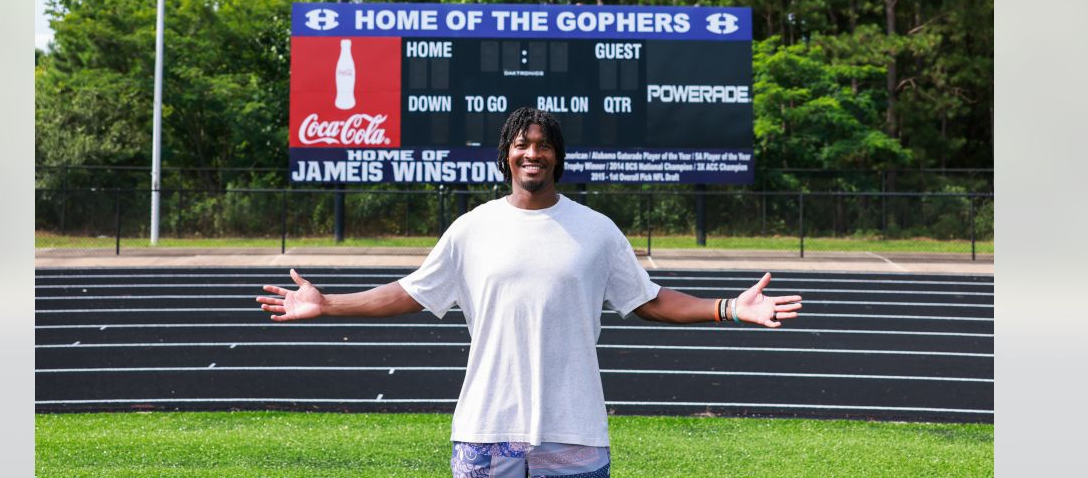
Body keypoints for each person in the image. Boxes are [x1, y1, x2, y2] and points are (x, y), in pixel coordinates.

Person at [257, 107, 802, 478]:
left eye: (543, 145)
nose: (533, 153)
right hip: (486, 428)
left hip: (575, 432)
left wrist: (729, 307)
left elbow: (650, 300)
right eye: (522, 144)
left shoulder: (597, 229)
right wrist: (329, 303)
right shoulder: (472, 228)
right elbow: (410, 292)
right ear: (507, 155)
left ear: (557, 158)